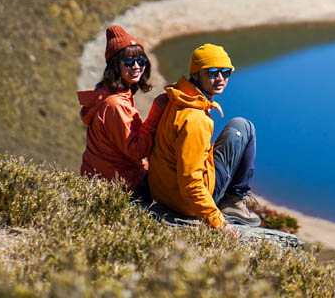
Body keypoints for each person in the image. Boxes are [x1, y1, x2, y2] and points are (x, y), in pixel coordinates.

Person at [148, 43, 260, 232]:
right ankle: (233, 202)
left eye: (226, 72)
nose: (220, 78)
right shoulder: (195, 119)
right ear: (196, 74)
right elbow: (190, 182)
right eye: (212, 72)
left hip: (163, 191)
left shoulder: (176, 97)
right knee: (243, 127)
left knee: (235, 129)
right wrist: (217, 222)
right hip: (185, 203)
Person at [78, 25, 166, 198]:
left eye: (141, 61)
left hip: (100, 179)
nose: (136, 66)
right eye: (128, 61)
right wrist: (157, 114)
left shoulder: (106, 94)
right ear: (115, 66)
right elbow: (136, 151)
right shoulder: (115, 105)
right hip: (123, 186)